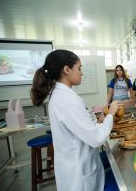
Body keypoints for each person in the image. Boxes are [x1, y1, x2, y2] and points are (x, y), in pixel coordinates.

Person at [30, 49, 120, 191]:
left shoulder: (60, 95)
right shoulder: (67, 100)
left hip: (72, 164)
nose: (81, 72)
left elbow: (79, 127)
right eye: (79, 68)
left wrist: (97, 122)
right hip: (79, 173)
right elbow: (96, 138)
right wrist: (111, 114)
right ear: (67, 69)